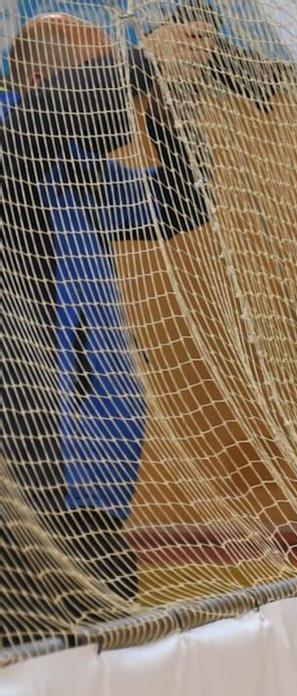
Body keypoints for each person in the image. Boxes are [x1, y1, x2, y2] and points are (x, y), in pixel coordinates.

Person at [0, 10, 213, 644]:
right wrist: (144, 62)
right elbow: (41, 121)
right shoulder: (15, 140)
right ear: (41, 80)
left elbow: (182, 202)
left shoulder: (75, 169)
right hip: (31, 480)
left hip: (97, 476)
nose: (114, 84)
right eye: (97, 66)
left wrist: (167, 105)